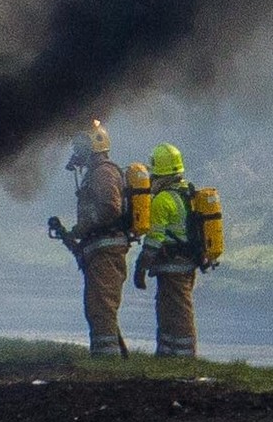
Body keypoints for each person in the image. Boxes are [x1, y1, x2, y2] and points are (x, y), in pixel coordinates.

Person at [47, 120, 130, 357]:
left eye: (81, 146)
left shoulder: (104, 172)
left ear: (93, 145)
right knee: (98, 303)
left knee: (101, 304)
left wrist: (83, 227)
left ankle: (107, 357)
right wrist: (75, 233)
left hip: (105, 248)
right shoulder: (95, 173)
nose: (77, 152)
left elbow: (110, 208)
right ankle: (109, 354)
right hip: (98, 247)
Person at [130, 142, 212, 359]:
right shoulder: (189, 193)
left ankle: (184, 357)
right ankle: (167, 355)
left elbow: (154, 239)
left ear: (158, 172)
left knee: (177, 311)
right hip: (187, 263)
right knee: (168, 309)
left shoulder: (162, 201)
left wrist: (141, 266)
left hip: (172, 264)